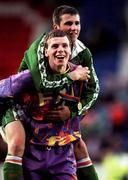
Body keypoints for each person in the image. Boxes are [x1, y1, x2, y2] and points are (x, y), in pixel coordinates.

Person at [1, 5, 99, 180]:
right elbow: (42, 84)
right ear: (46, 51)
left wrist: (73, 110)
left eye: (77, 23)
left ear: (71, 50)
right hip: (22, 113)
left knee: (77, 143)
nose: (74, 28)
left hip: (56, 130)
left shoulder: (83, 61)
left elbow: (93, 91)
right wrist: (71, 76)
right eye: (68, 23)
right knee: (17, 142)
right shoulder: (32, 68)